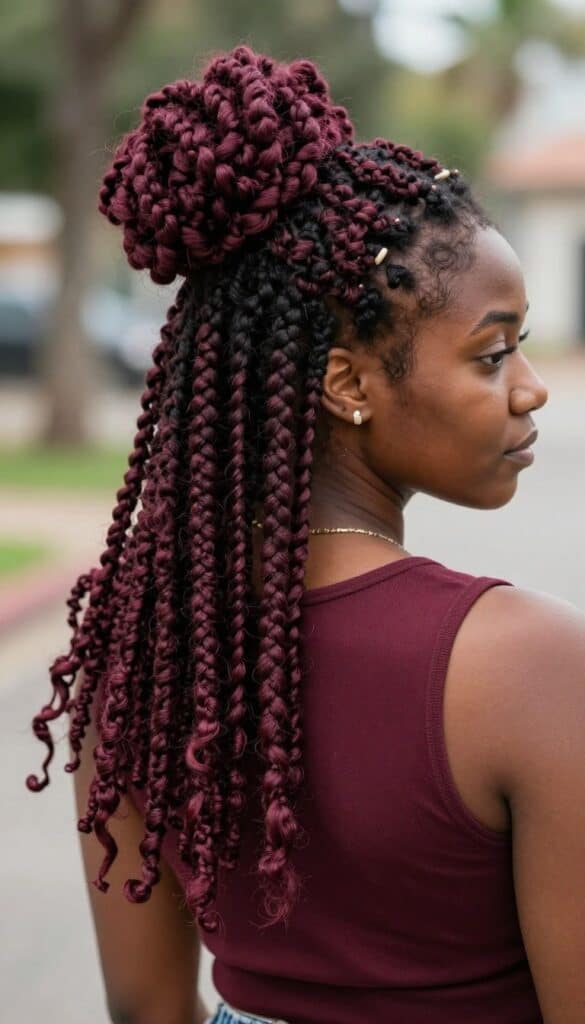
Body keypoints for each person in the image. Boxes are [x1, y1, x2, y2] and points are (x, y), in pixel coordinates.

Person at [26, 43, 585, 1024]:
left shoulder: (141, 650)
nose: (531, 389)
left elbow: (150, 1008)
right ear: (347, 385)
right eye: (493, 353)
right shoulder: (529, 666)